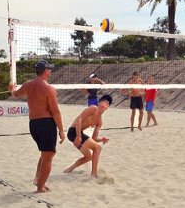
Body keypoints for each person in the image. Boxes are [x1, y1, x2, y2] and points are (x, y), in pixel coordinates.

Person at [8, 59, 65, 193]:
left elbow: (15, 94)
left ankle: (38, 179)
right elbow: (55, 111)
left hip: (33, 125)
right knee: (48, 156)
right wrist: (61, 130)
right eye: (49, 69)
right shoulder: (49, 89)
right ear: (46, 71)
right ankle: (40, 187)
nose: (51, 70)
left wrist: (11, 89)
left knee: (45, 154)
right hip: (46, 124)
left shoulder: (28, 84)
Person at [63, 95, 112, 177]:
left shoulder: (99, 121)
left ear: (108, 107)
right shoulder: (94, 108)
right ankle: (94, 174)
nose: (106, 102)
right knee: (98, 148)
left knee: (88, 157)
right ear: (99, 102)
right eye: (104, 100)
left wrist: (101, 139)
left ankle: (70, 169)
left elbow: (94, 138)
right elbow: (79, 119)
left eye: (108, 102)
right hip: (73, 132)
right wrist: (78, 136)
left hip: (79, 134)